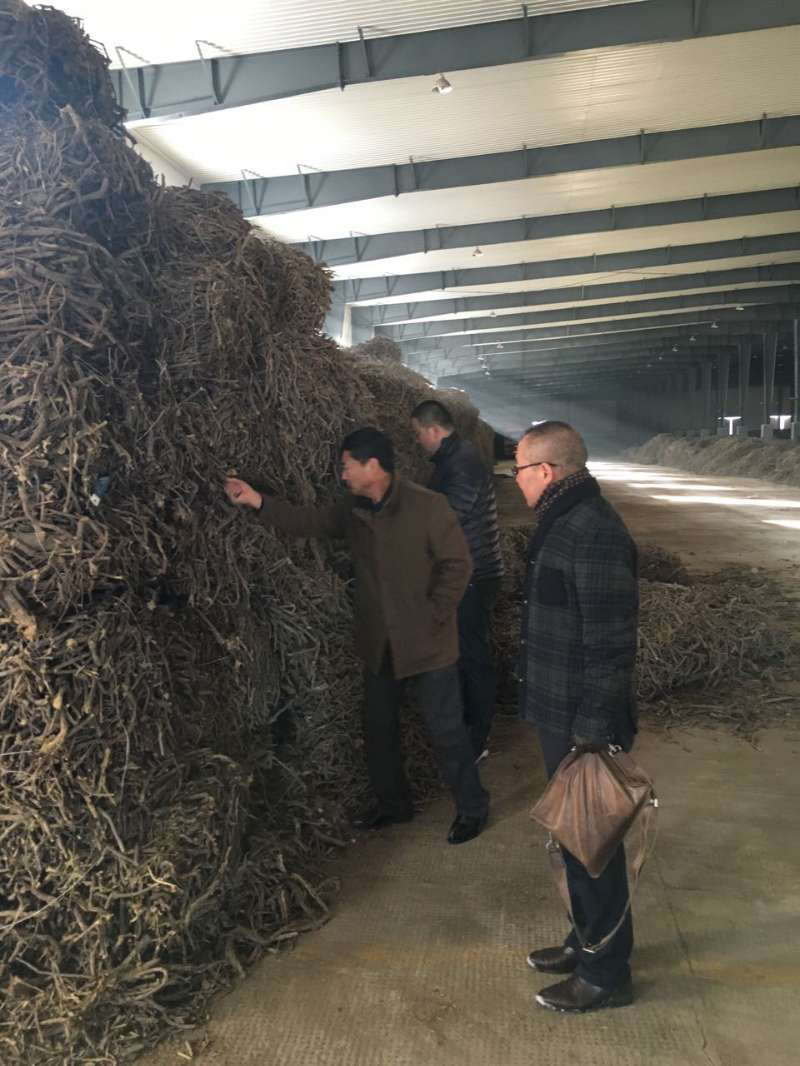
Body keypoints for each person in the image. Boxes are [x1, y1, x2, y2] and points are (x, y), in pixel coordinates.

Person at [224, 427, 489, 846]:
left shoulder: (428, 506)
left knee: (446, 730)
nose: (342, 475)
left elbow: (457, 565)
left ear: (372, 466)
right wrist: (257, 501)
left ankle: (472, 807)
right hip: (380, 643)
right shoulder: (352, 509)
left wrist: (434, 613)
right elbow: (309, 521)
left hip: (428, 644)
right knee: (378, 728)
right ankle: (393, 805)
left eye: (346, 466)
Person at [514, 421, 639, 1013]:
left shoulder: (594, 532)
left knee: (594, 845)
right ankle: (586, 940)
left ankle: (606, 974)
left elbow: (612, 642)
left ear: (545, 471)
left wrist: (592, 730)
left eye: (517, 471)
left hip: (580, 720)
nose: (515, 484)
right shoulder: (563, 522)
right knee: (572, 839)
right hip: (556, 709)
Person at [411, 401, 503, 761]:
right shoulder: (454, 459)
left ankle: (477, 738)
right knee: (465, 653)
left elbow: (447, 516)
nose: (417, 442)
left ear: (433, 430)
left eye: (418, 433)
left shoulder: (461, 463)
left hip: (473, 574)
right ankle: (470, 729)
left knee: (472, 657)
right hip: (471, 571)